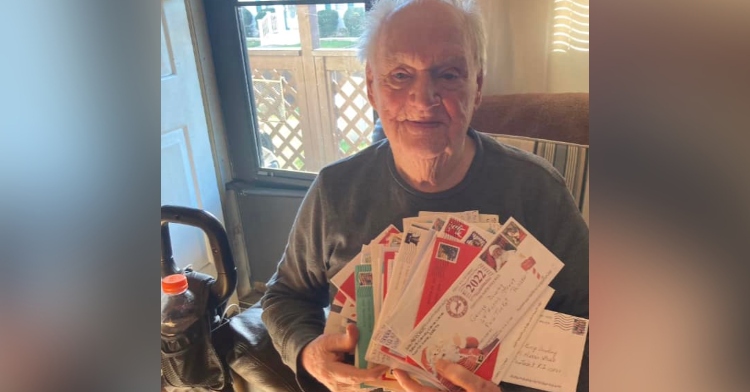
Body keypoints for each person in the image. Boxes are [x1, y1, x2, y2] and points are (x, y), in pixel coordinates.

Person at [260, 1, 589, 391]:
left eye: (448, 75)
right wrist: (307, 351)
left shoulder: (540, 192)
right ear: (371, 88)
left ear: (477, 87)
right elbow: (285, 295)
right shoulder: (335, 190)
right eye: (399, 75)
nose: (422, 98)